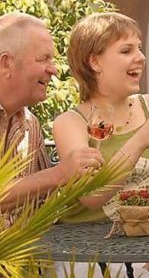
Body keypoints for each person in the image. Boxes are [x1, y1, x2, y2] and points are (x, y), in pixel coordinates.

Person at [53, 12, 149, 277]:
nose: (141, 58)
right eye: (126, 50)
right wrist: (140, 141)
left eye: (140, 48)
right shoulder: (70, 123)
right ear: (95, 61)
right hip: (83, 252)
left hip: (142, 247)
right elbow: (90, 197)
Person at [0, 13, 103, 214]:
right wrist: (60, 173)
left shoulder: (30, 123)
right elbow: (53, 178)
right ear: (6, 63)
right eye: (43, 59)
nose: (54, 70)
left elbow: (43, 202)